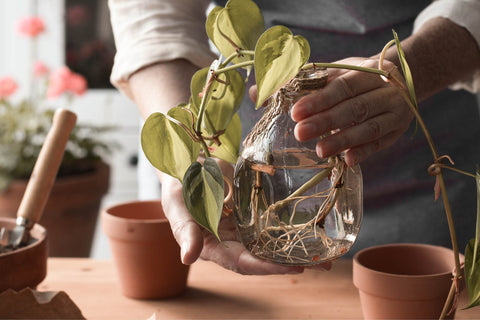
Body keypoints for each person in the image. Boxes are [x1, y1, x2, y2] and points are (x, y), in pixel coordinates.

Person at [108, 0, 480, 275]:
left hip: (434, 135)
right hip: (237, 181)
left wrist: (411, 70)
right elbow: (152, 19)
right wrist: (191, 159)